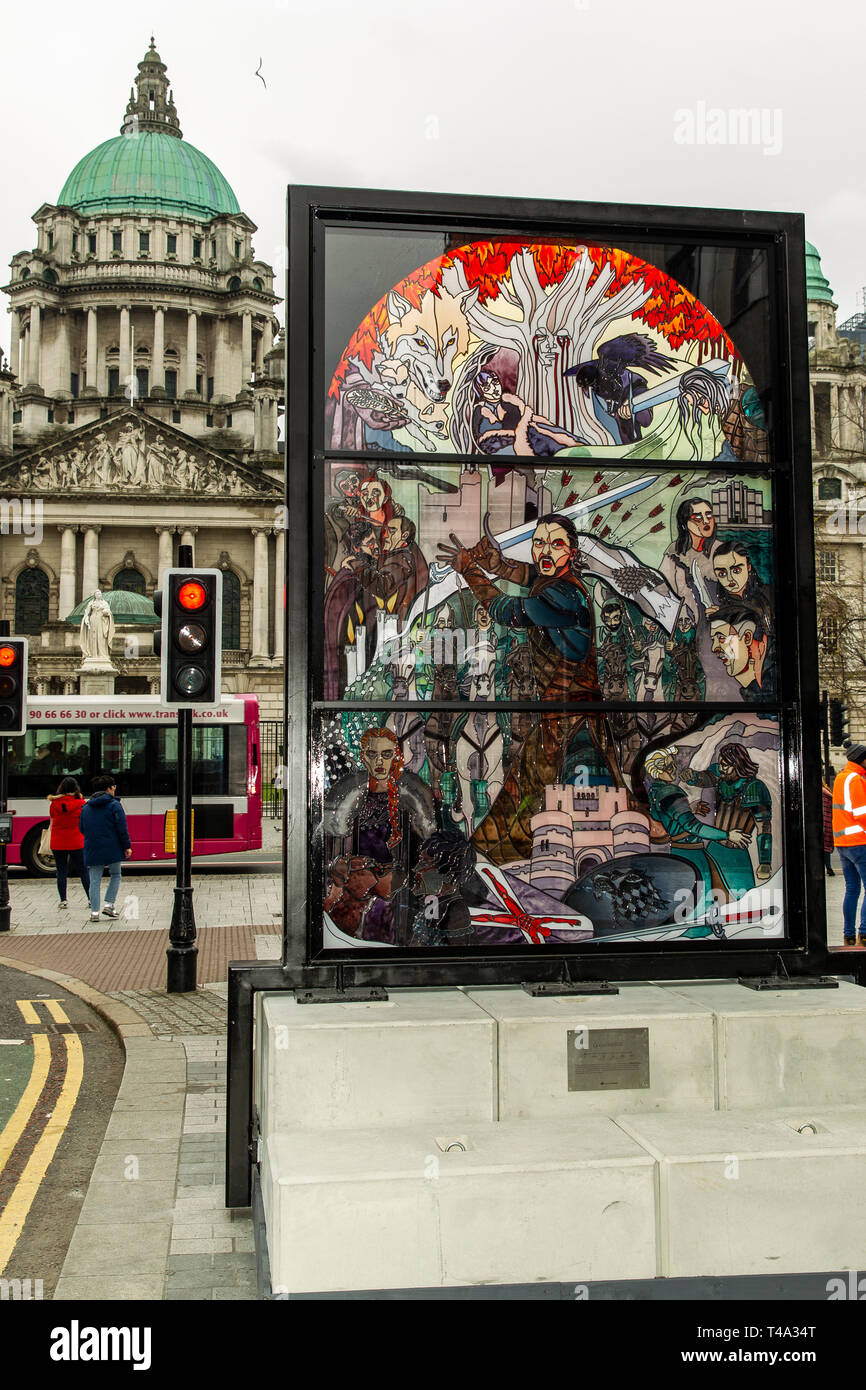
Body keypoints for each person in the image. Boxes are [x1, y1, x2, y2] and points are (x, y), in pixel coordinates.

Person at [80, 774, 132, 923]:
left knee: (94, 879)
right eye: (114, 787)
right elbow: (122, 828)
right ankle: (109, 904)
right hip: (112, 846)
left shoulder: (86, 807)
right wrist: (126, 846)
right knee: (115, 874)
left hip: (92, 847)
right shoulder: (115, 805)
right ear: (109, 789)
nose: (115, 789)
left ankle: (94, 912)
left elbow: (82, 828)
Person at [832, 745, 866, 946]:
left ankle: (849, 935)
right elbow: (862, 813)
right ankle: (864, 933)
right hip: (859, 840)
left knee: (852, 889)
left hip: (843, 842)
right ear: (861, 759)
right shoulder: (856, 780)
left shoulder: (841, 777)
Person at [47, 777, 89, 908]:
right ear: (76, 788)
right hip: (76, 841)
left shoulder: (54, 804)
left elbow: (52, 818)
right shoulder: (81, 803)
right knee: (83, 870)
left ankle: (63, 900)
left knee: (61, 871)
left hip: (58, 841)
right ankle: (90, 899)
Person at [822, 773, 836, 877]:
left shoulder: (822, 791)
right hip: (828, 820)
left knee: (824, 846)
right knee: (826, 846)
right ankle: (829, 868)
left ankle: (828, 868)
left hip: (824, 821)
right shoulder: (826, 790)